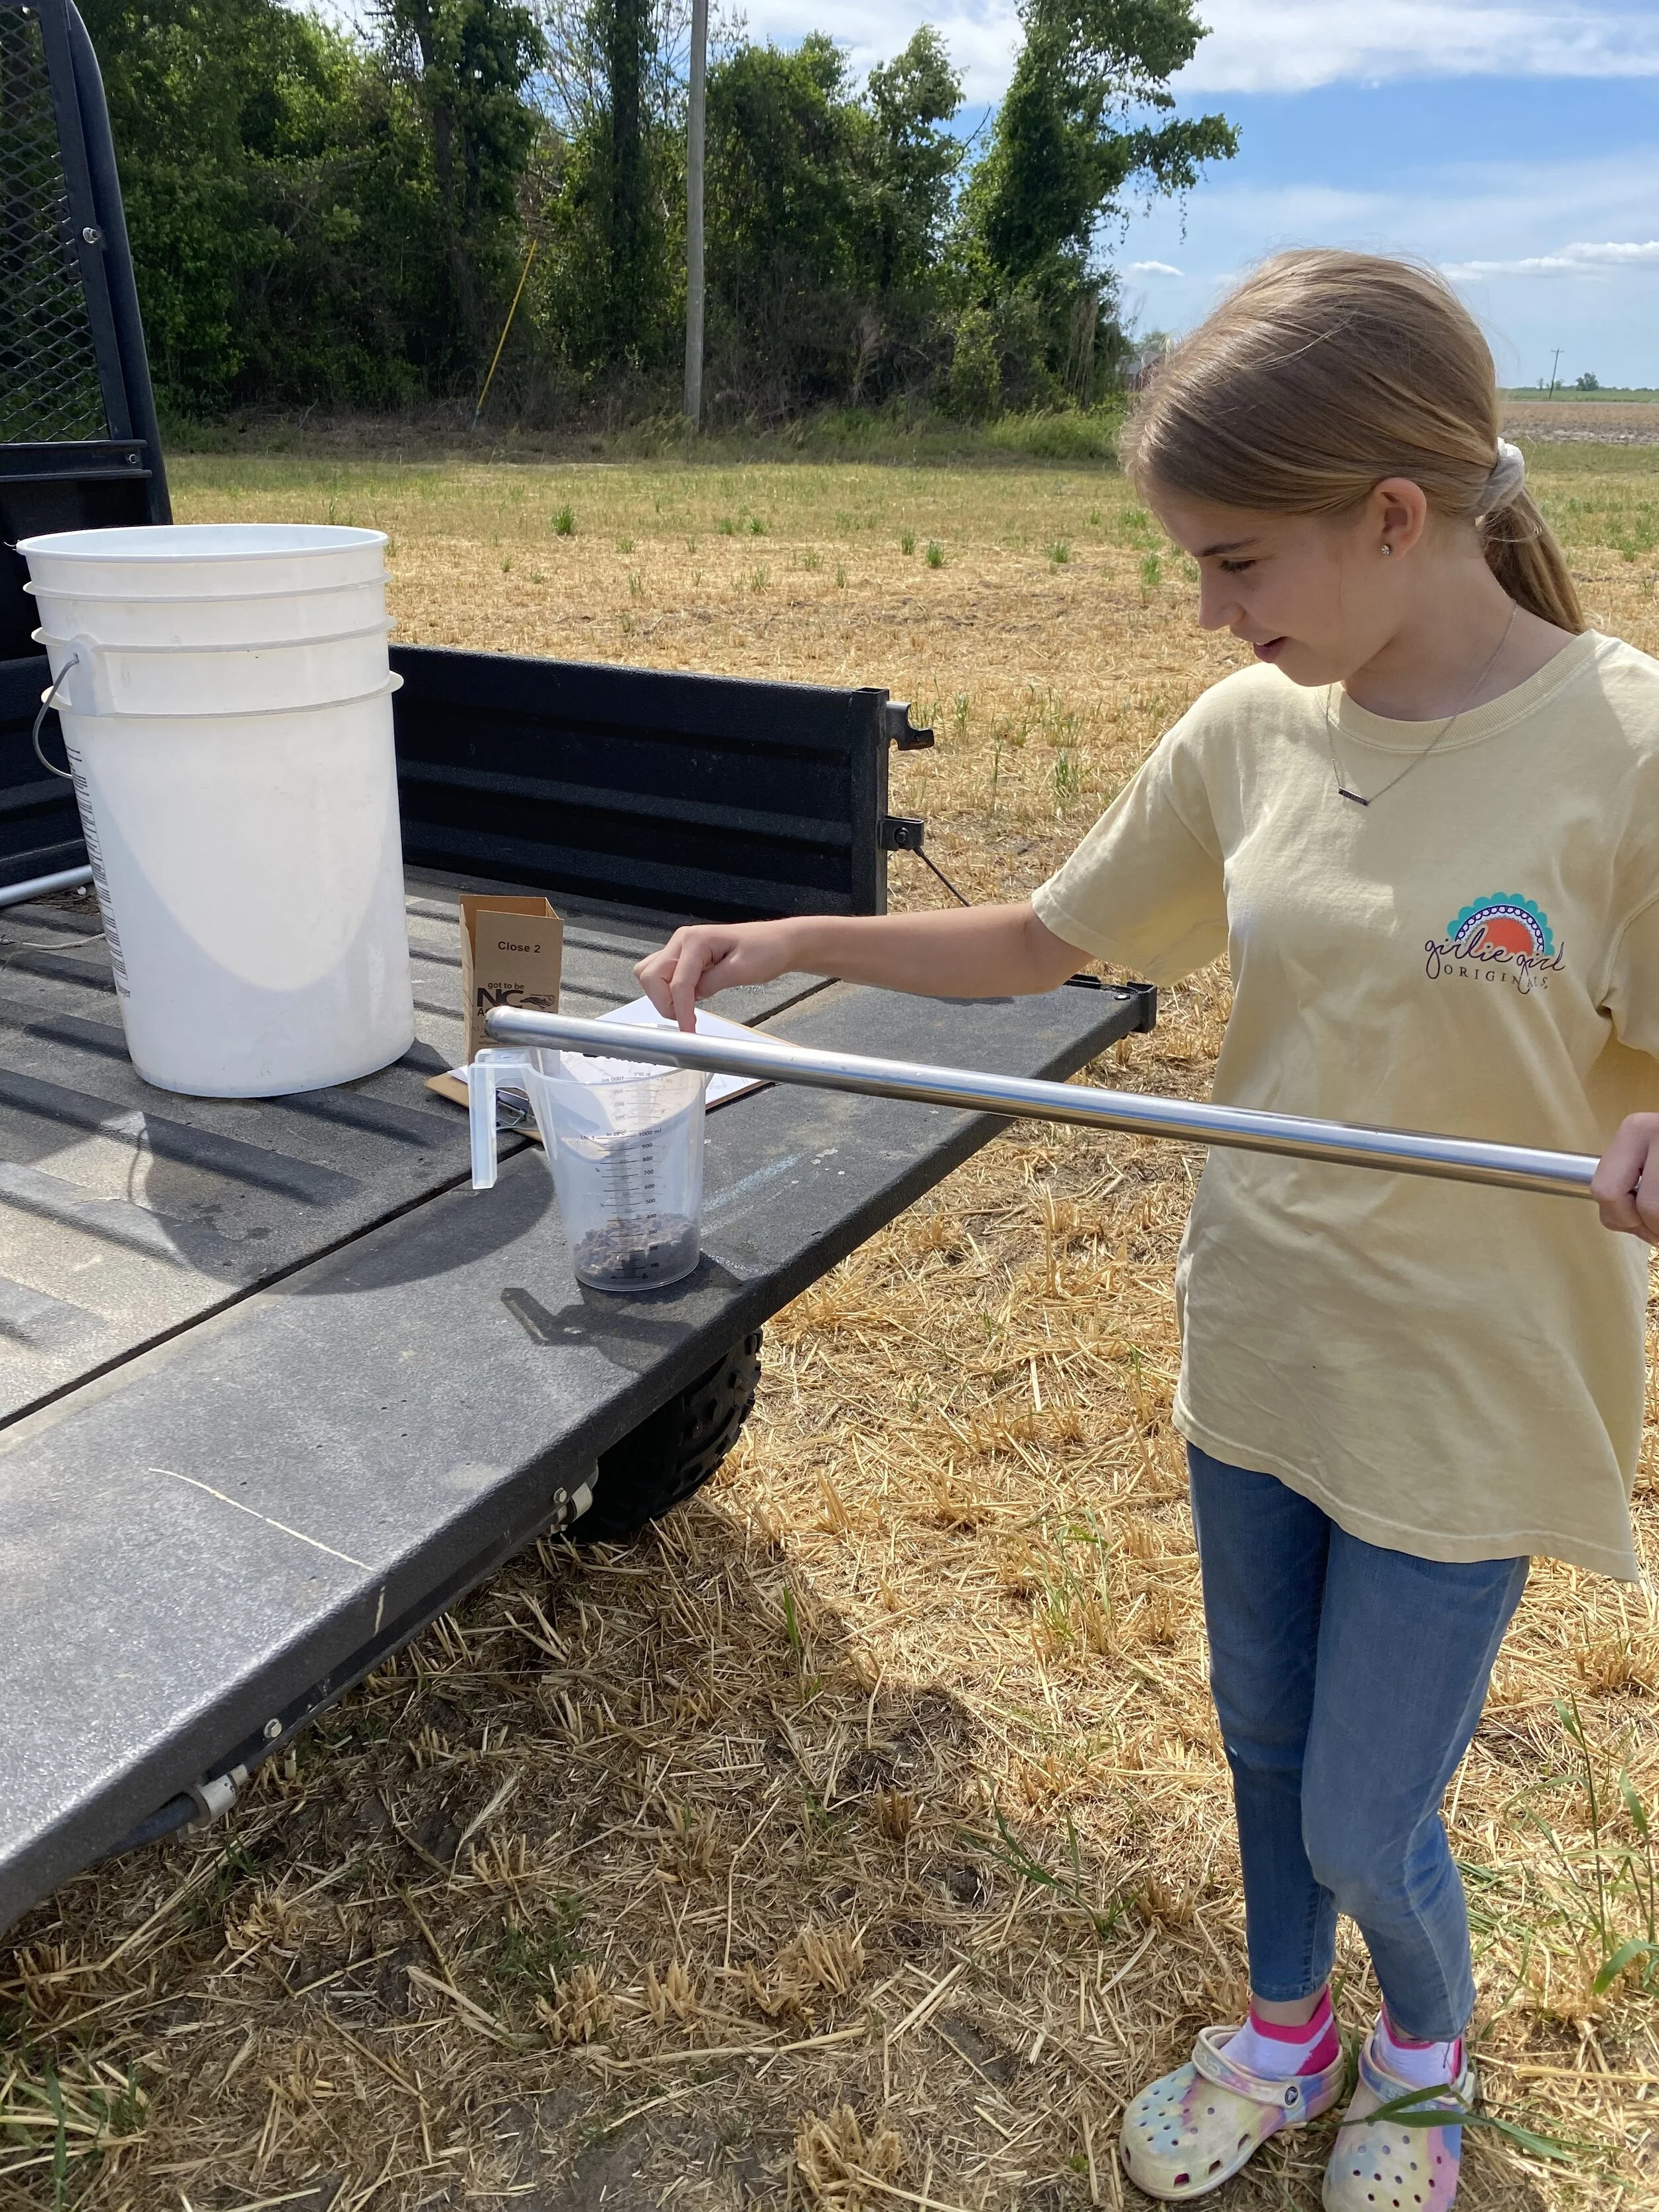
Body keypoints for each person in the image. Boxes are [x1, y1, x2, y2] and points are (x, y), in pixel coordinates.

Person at [632, 250, 1659, 2209]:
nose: (1205, 609)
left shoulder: (1625, 747)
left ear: (1389, 514)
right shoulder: (1247, 735)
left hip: (1468, 1379)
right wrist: (793, 936)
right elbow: (1044, 939)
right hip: (1262, 1337)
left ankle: (1422, 2053)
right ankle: (1284, 2029)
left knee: (1369, 1813)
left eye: (1234, 560)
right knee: (1260, 1737)